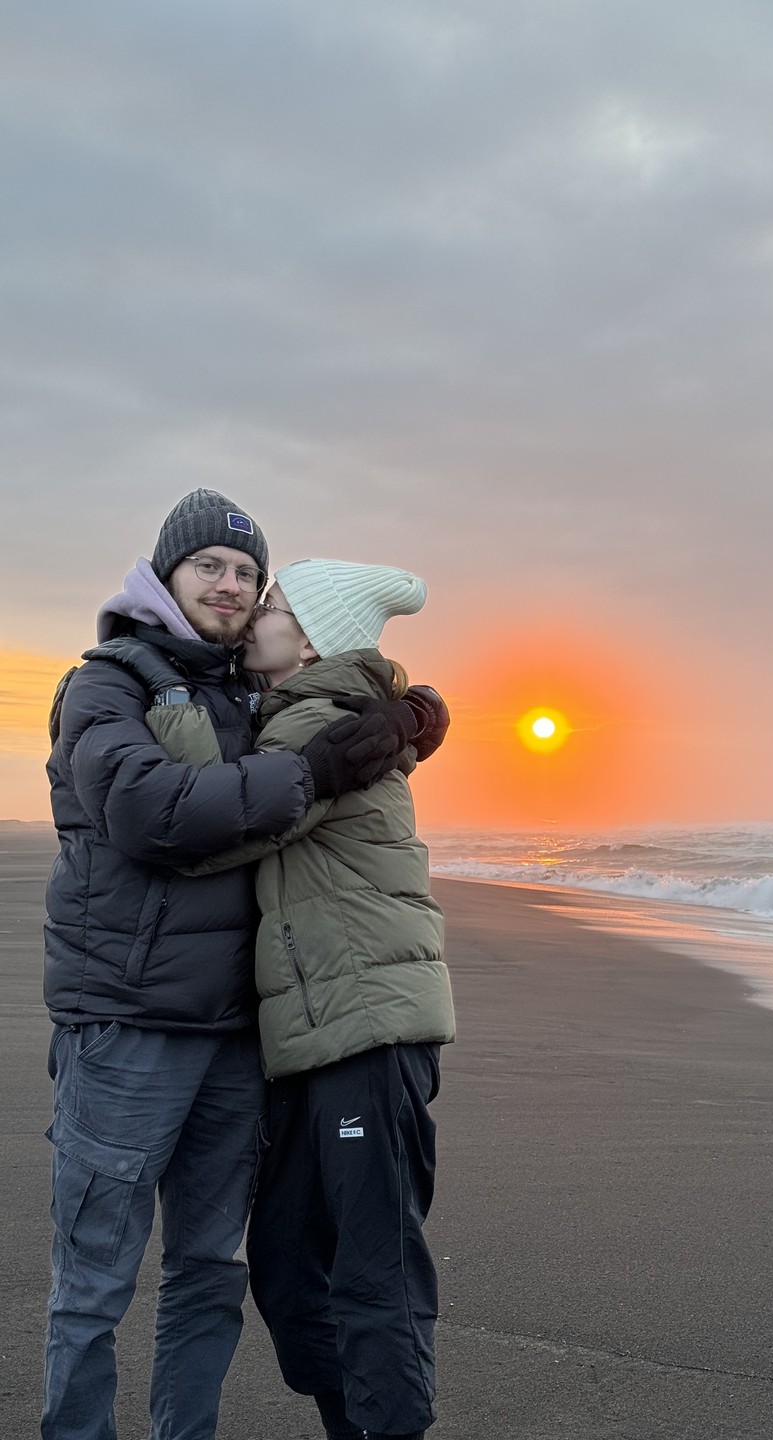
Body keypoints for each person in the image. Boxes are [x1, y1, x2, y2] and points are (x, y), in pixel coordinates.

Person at [42, 491, 441, 1440]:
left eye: (250, 575)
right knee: (95, 1283)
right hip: (130, 1022)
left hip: (243, 1036)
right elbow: (154, 816)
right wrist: (340, 756)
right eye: (211, 566)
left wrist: (408, 713)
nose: (234, 587)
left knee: (212, 1273)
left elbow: (337, 699)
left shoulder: (258, 694)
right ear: (166, 573)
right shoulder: (108, 684)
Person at [149, 558, 454, 1440]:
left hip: (368, 1030)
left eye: (273, 605)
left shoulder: (324, 717)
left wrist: (167, 700)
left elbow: (224, 823)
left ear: (313, 637)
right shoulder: (302, 715)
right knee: (289, 1272)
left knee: (370, 1272)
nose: (256, 615)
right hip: (316, 1037)